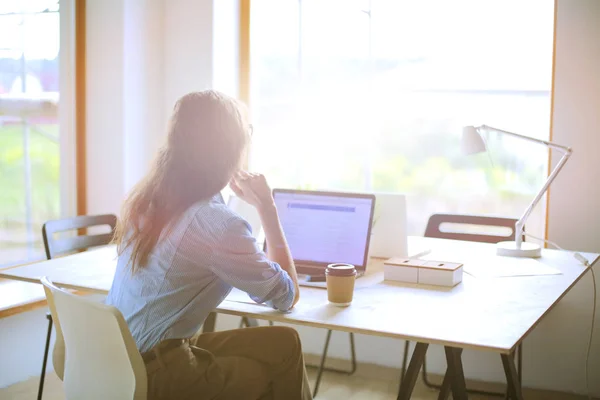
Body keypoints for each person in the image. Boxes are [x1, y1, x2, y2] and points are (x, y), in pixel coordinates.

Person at [106, 90, 312, 400]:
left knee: (284, 342)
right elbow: (287, 295)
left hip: (119, 359)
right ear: (230, 153)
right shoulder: (219, 225)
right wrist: (267, 208)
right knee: (274, 365)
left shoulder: (149, 200)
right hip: (158, 373)